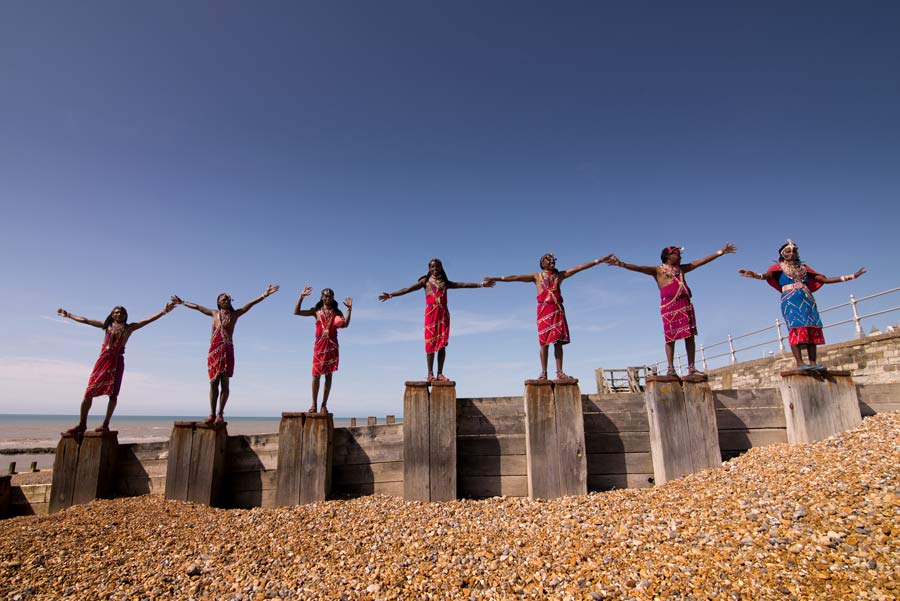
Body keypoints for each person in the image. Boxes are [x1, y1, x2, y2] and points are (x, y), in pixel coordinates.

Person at [606, 243, 736, 376]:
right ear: (668, 256)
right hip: (669, 305)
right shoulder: (657, 270)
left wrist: (720, 252)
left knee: (690, 336)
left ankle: (691, 367)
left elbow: (699, 262)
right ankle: (670, 368)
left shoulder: (681, 269)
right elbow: (639, 268)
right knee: (670, 337)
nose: (680, 257)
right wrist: (621, 264)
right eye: (677, 254)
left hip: (685, 304)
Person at [739, 240, 866, 369]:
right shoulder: (778, 268)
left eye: (794, 251)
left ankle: (813, 362)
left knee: (811, 328)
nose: (791, 253)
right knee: (795, 329)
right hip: (790, 300)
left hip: (807, 300)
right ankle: (800, 362)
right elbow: (766, 276)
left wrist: (851, 276)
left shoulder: (804, 269)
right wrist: (755, 275)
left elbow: (824, 279)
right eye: (788, 251)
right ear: (782, 254)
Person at [485, 253, 611, 381]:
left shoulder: (559, 275)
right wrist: (496, 278)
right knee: (544, 343)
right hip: (544, 310)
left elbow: (578, 268)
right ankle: (544, 372)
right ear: (542, 263)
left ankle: (560, 372)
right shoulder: (536, 277)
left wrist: (599, 261)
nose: (552, 261)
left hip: (557, 310)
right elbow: (515, 277)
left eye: (553, 260)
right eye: (548, 259)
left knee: (558, 343)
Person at [57, 301, 177, 433]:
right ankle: (82, 424)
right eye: (116, 312)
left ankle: (105, 424)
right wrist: (69, 315)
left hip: (117, 361)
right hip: (103, 360)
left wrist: (164, 311)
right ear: (112, 315)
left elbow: (148, 320)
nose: (119, 314)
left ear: (126, 315)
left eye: (122, 312)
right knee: (89, 393)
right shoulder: (106, 325)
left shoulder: (129, 328)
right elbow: (86, 320)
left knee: (113, 395)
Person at [171, 285, 279, 424]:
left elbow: (250, 305)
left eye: (228, 298)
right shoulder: (213, 313)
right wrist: (183, 302)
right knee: (213, 383)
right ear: (218, 302)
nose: (226, 299)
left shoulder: (234, 315)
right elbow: (198, 307)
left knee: (225, 382)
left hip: (227, 349)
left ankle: (220, 413)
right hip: (214, 351)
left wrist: (264, 294)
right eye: (223, 298)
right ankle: (211, 413)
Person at [379, 258, 494, 382]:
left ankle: (440, 373)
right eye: (432, 267)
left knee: (442, 345)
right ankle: (430, 374)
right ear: (429, 268)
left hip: (443, 314)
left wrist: (482, 285)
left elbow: (463, 285)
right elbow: (407, 289)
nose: (435, 269)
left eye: (437, 266)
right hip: (431, 314)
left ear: (441, 268)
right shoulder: (425, 282)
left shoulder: (445, 282)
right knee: (430, 344)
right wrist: (391, 295)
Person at [294, 287, 352, 413]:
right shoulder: (316, 311)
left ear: (333, 298)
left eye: (330, 296)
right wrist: (301, 296)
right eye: (325, 296)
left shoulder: (337, 312)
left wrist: (349, 310)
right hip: (319, 344)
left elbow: (345, 325)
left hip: (331, 345)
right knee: (315, 376)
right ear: (321, 297)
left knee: (328, 376)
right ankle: (313, 405)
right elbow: (296, 311)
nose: (327, 298)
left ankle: (324, 405)